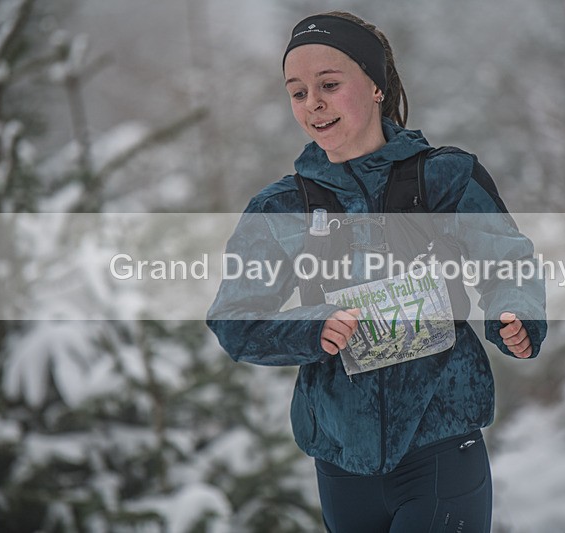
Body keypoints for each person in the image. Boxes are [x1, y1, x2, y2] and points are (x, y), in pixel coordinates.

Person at [207, 11, 546, 533]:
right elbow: (233, 318)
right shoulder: (280, 208)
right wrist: (314, 326)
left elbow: (507, 259)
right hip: (342, 465)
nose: (312, 103)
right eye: (297, 92)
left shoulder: (445, 176)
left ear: (375, 88)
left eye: (329, 84)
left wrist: (516, 312)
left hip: (441, 448)